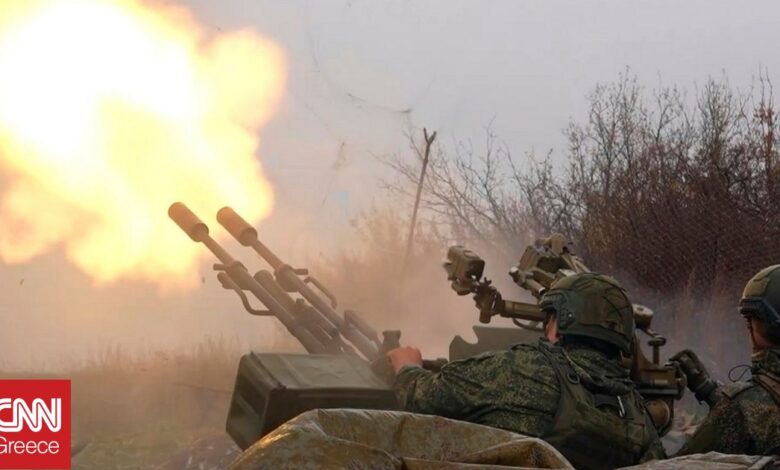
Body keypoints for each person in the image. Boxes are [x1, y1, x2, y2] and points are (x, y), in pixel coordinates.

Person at [387, 272, 665, 470]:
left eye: (549, 318)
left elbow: (425, 397)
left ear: (560, 322)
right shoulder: (637, 412)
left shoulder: (524, 369)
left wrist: (407, 366)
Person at [674, 265, 780, 456]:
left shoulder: (739, 409)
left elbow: (677, 465)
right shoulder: (742, 407)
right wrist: (710, 391)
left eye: (750, 321)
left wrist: (652, 419)